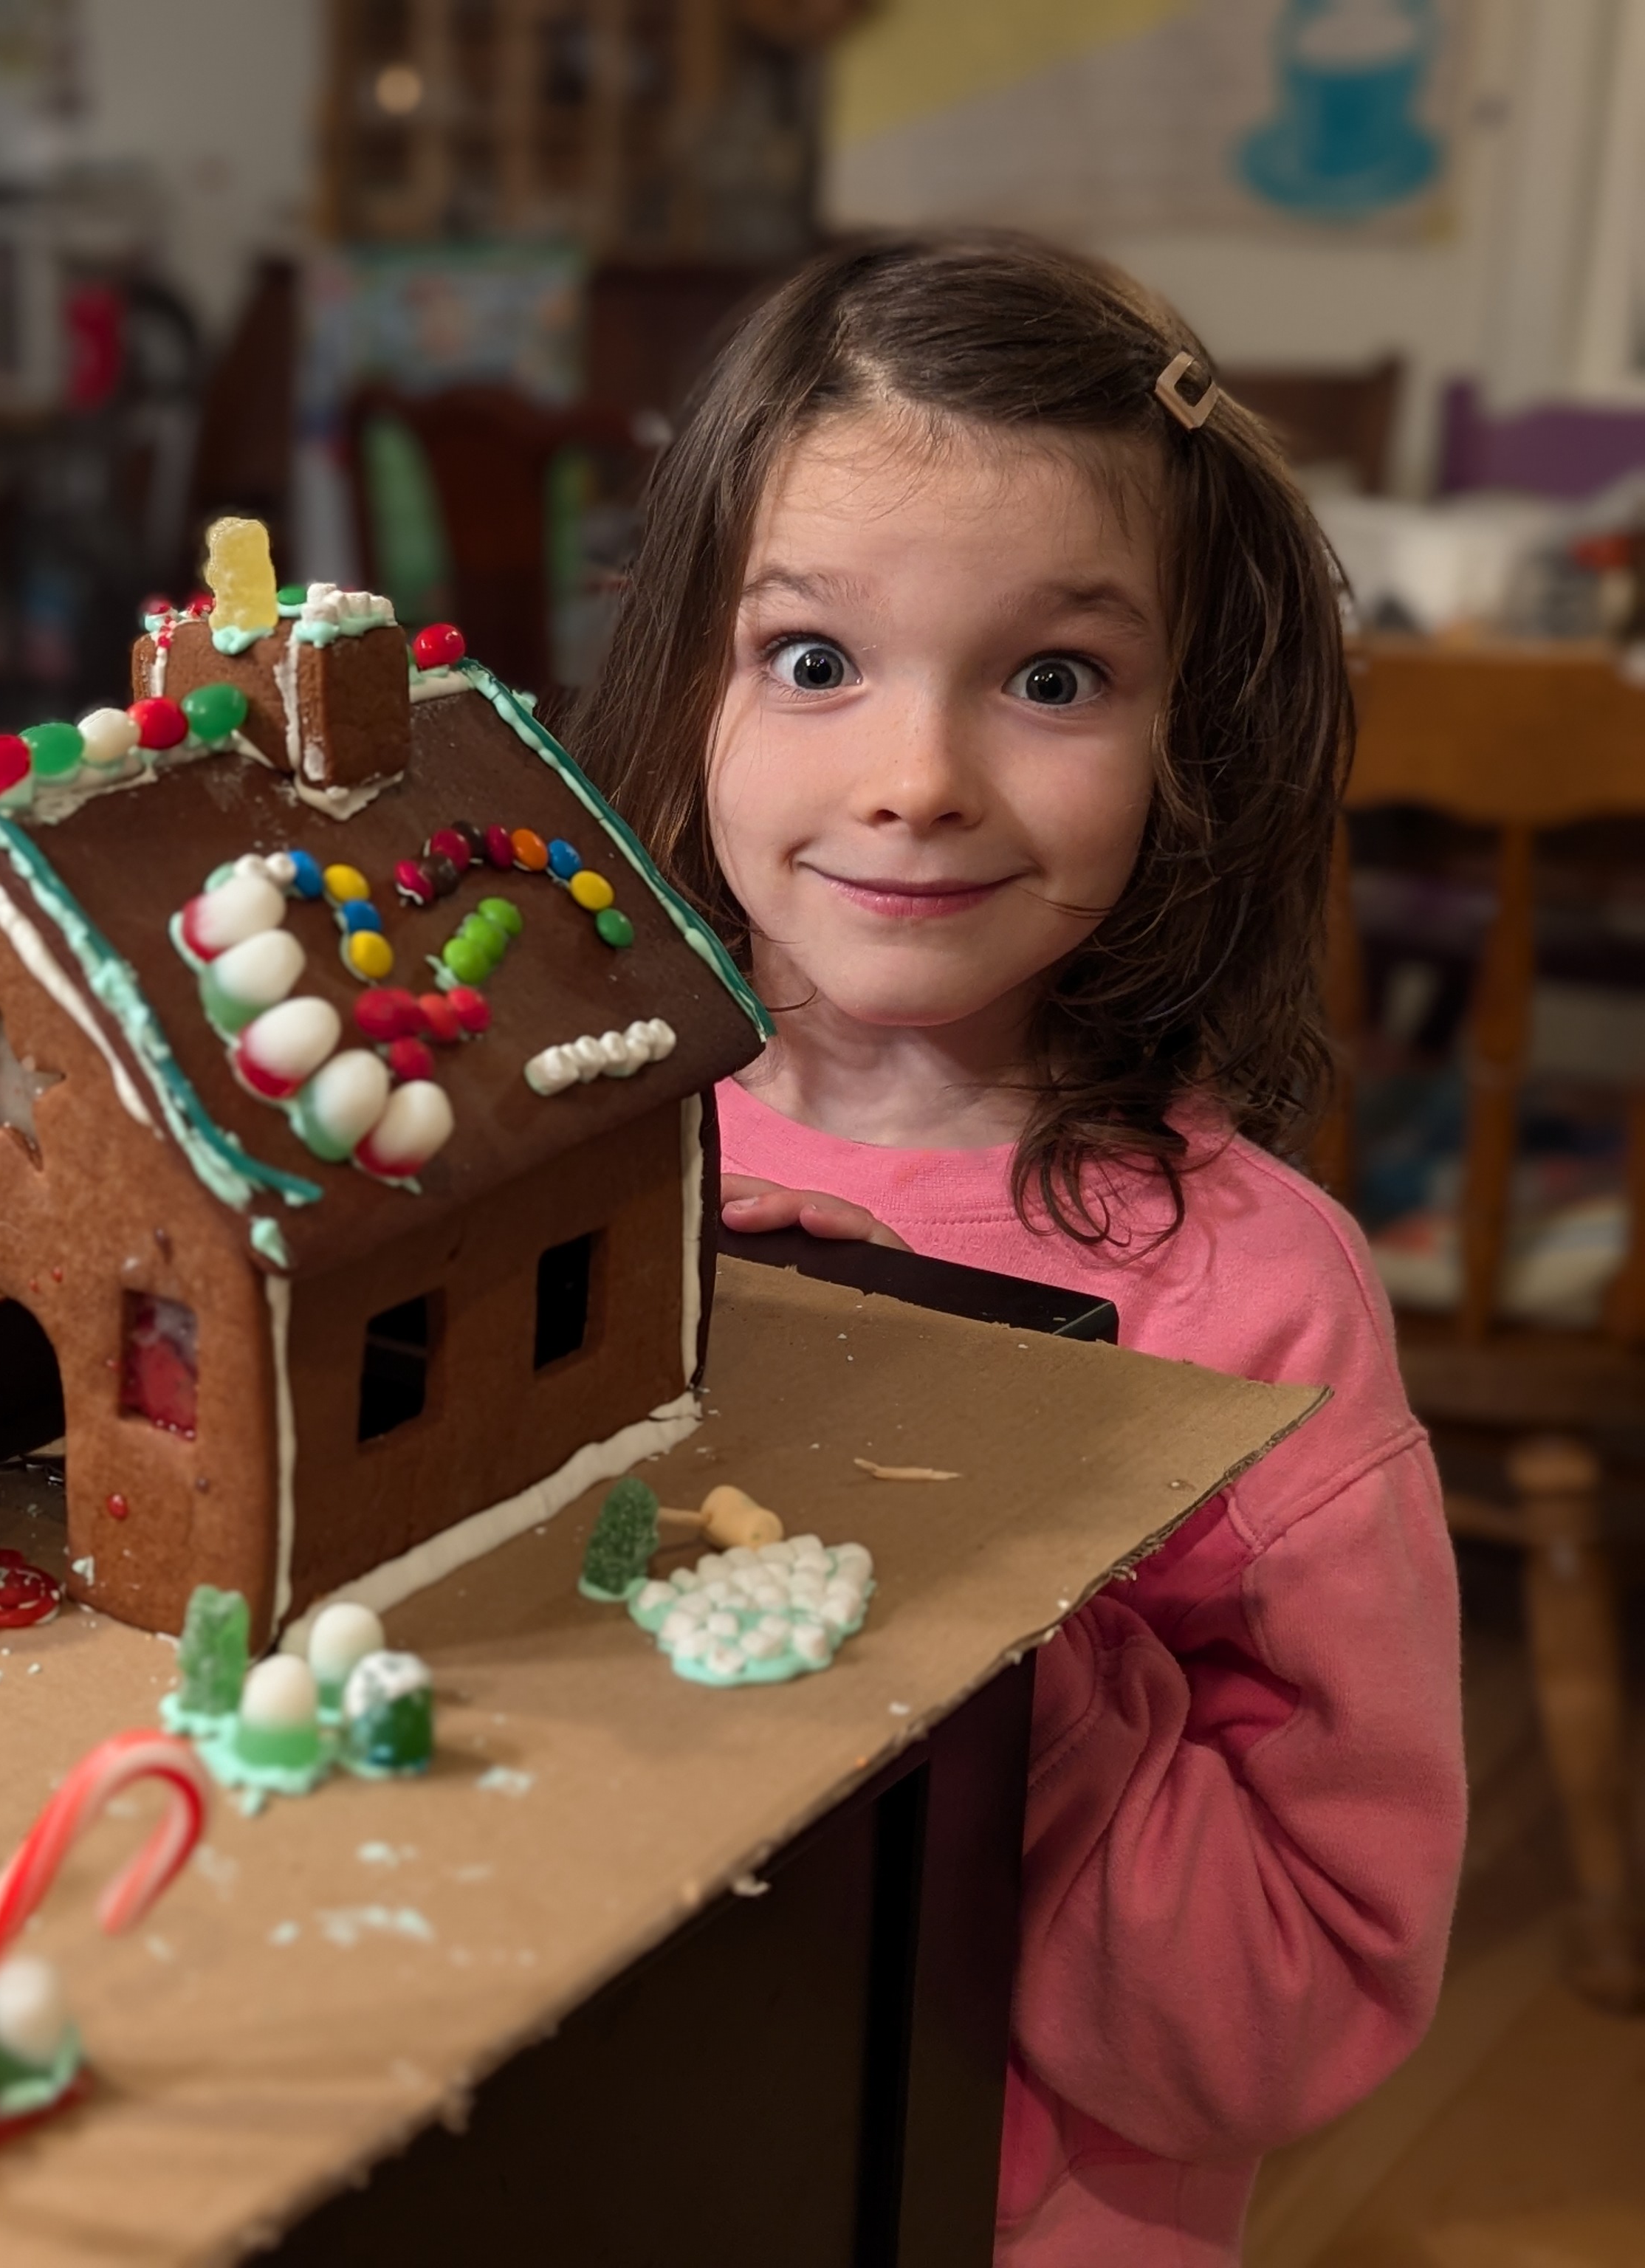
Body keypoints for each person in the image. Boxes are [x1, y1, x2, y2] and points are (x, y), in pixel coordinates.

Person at [574, 234, 1463, 2263]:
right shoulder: (588, 1153)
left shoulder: (1262, 1317)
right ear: (688, 675)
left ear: (1189, 731)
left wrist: (1003, 1665)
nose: (915, 781)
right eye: (815, 659)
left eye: (1053, 678)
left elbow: (1300, 2019)